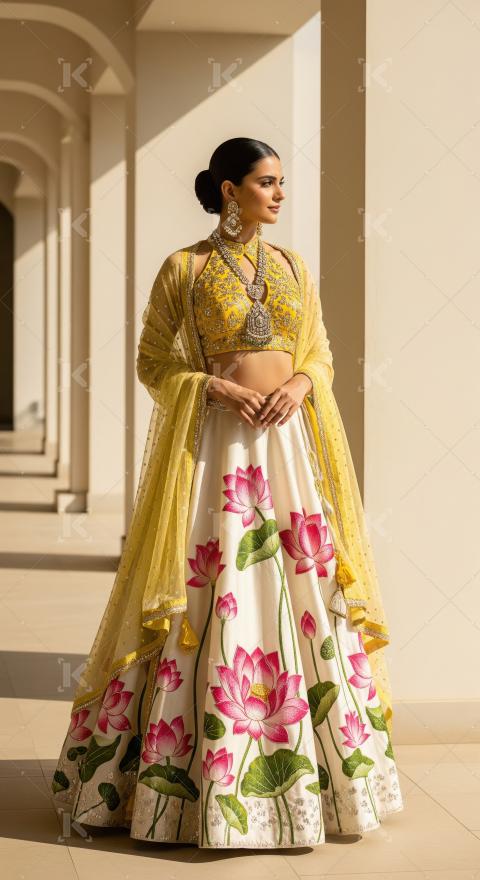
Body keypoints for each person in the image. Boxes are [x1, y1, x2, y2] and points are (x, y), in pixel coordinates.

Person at [51, 137, 404, 849]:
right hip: (219, 447)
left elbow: (319, 353)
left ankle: (317, 788)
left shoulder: (293, 267)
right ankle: (175, 792)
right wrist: (211, 386)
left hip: (287, 449)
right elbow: (155, 362)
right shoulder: (184, 268)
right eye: (266, 183)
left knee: (302, 590)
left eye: (280, 183)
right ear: (228, 190)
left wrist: (302, 385)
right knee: (217, 583)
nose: (278, 194)